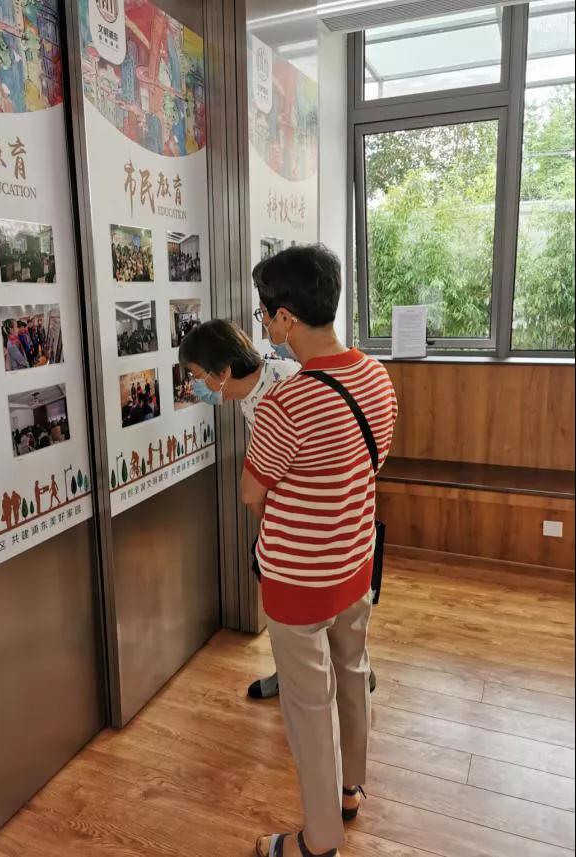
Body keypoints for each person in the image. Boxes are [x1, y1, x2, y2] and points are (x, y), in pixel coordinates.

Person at [241, 244, 397, 857]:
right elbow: (372, 463)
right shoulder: (376, 376)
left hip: (298, 580)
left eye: (264, 315)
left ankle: (319, 840)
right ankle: (351, 790)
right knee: (353, 675)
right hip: (354, 562)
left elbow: (252, 492)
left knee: (309, 706)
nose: (263, 326)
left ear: (285, 318)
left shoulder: (286, 403)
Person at [180, 319, 381, 703]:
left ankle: (350, 668)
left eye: (198, 375)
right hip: (286, 517)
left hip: (320, 520)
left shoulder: (287, 384)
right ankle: (298, 670)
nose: (196, 386)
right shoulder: (246, 395)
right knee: (288, 601)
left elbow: (261, 486)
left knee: (328, 607)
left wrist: (268, 507)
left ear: (223, 371)